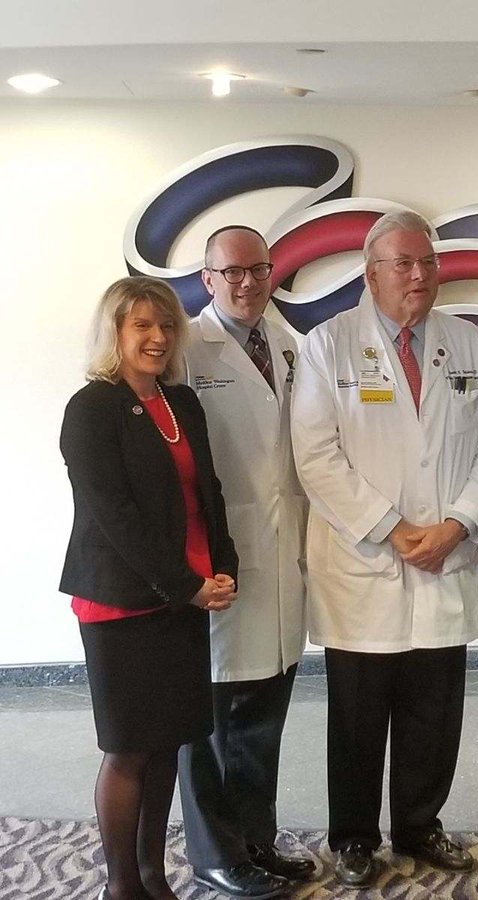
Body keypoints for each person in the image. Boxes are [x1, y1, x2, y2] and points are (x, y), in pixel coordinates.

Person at [291, 210, 478, 888]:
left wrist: (458, 524)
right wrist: (392, 528)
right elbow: (316, 455)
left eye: (428, 262)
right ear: (371, 274)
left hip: (445, 554)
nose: (420, 275)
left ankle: (420, 826)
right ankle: (355, 838)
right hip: (364, 562)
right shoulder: (328, 344)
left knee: (433, 711)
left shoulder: (467, 342)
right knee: (358, 716)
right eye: (404, 263)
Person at [59, 276, 239, 900]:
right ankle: (121, 887)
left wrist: (224, 565)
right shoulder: (91, 408)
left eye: (165, 326)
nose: (158, 337)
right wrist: (186, 585)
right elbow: (114, 516)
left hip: (184, 595)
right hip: (122, 601)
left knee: (168, 745)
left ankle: (153, 877)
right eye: (141, 325)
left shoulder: (180, 402)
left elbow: (208, 491)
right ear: (114, 332)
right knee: (129, 750)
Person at [177, 226, 312, 899]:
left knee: (261, 720)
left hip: (282, 559)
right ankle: (214, 854)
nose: (246, 282)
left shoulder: (289, 344)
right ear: (208, 279)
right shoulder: (183, 348)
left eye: (257, 269)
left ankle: (256, 841)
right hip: (218, 562)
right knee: (210, 723)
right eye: (230, 272)